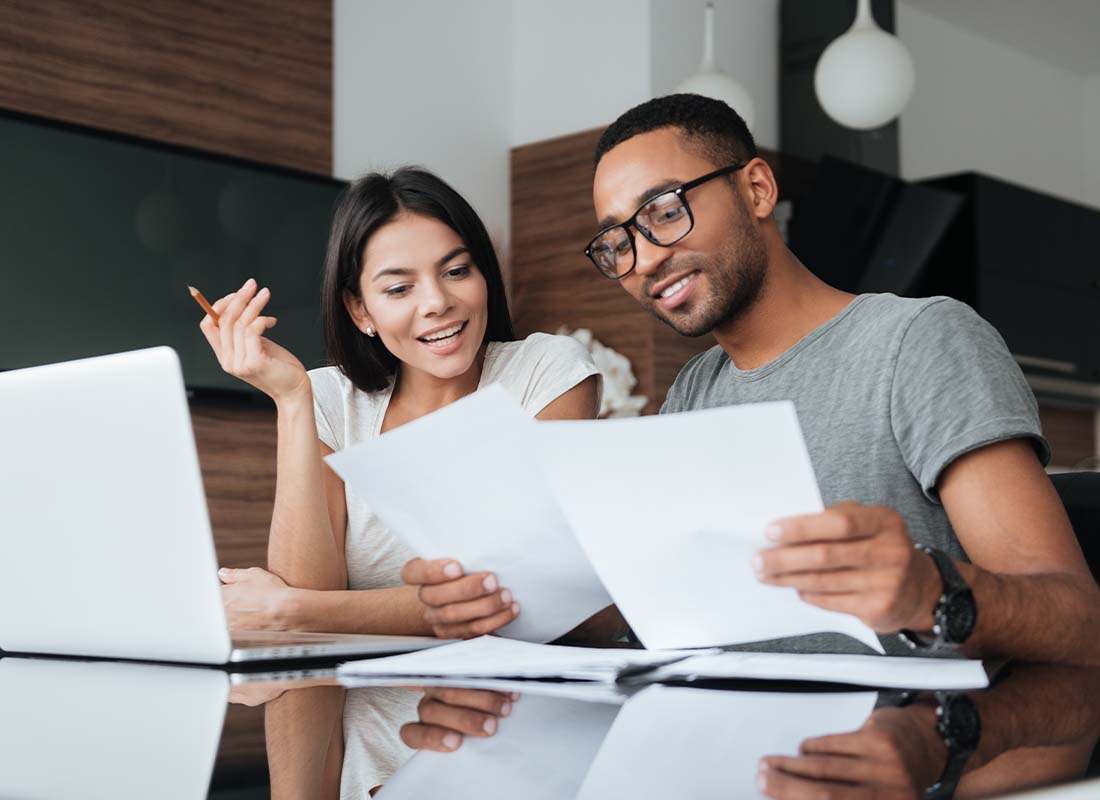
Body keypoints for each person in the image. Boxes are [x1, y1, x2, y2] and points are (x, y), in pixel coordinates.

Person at [576, 92, 1100, 662]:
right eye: (617, 244)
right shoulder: (693, 389)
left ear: (756, 189)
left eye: (666, 211)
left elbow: (1077, 618)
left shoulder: (919, 340)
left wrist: (930, 591)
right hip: (736, 736)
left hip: (907, 737)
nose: (644, 261)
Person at [199, 167, 609, 789]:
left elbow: (516, 599)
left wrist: (290, 610)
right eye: (399, 288)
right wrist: (290, 400)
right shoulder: (330, 400)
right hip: (367, 771)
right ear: (360, 310)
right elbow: (309, 627)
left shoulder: (546, 373)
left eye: (455, 270)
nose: (437, 302)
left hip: (520, 757)